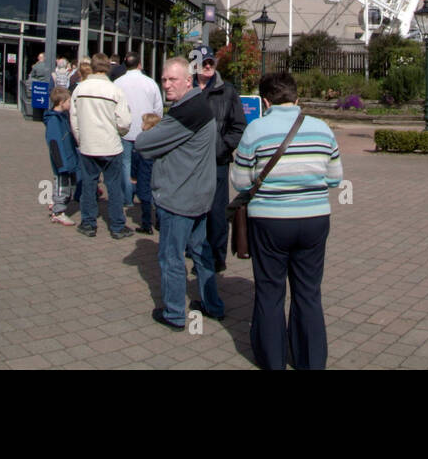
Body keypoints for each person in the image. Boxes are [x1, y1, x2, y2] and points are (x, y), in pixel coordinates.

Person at [231, 71, 342, 370]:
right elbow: (335, 179)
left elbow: (241, 182)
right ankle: (311, 360)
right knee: (308, 291)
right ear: (297, 98)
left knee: (269, 291)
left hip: (270, 220)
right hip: (314, 219)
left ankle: (272, 359)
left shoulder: (255, 131)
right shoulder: (322, 129)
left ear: (265, 101)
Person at [135, 57, 223, 331]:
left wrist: (159, 136)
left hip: (179, 198)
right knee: (200, 252)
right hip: (198, 196)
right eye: (164, 79)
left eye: (173, 79)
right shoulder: (197, 106)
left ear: (189, 81)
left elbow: (143, 144)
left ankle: (174, 313)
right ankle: (212, 304)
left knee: (171, 257)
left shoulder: (186, 112)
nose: (167, 84)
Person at [192, 46, 247, 272]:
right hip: (191, 163)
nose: (207, 66)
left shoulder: (227, 91)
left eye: (210, 62)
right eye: (203, 62)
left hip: (217, 162)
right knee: (194, 210)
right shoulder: (187, 90)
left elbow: (238, 125)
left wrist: (223, 148)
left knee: (217, 212)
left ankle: (216, 256)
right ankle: (196, 253)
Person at [68, 53, 133, 238]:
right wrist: (119, 133)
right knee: (114, 187)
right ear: (108, 68)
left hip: (89, 145)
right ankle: (118, 226)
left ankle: (88, 223)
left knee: (89, 185)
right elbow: (124, 121)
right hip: (111, 145)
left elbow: (74, 119)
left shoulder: (80, 90)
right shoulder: (115, 91)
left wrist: (81, 138)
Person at [114, 52, 163, 234]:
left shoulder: (118, 83)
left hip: (126, 130)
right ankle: (150, 204)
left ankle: (128, 198)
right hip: (147, 131)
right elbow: (158, 108)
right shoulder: (150, 83)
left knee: (127, 166)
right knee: (151, 171)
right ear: (140, 64)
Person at [43, 86, 79, 225]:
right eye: (69, 102)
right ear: (62, 102)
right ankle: (58, 212)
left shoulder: (63, 117)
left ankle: (57, 205)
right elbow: (54, 144)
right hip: (62, 160)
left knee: (66, 185)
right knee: (62, 185)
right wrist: (61, 164)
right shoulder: (54, 121)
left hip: (68, 157)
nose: (70, 105)